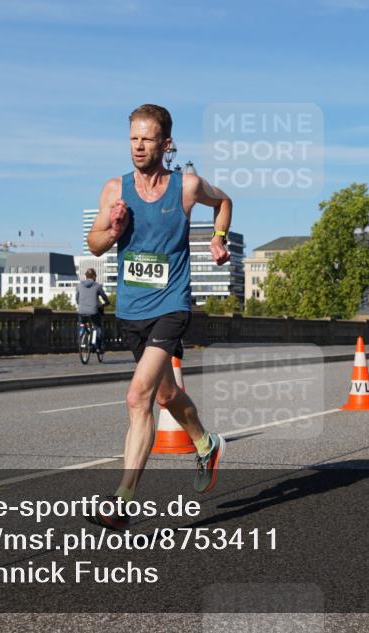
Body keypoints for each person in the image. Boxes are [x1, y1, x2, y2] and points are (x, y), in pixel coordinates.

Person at [85, 104, 232, 530]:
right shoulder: (115, 189)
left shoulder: (185, 186)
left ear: (166, 144)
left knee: (137, 398)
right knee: (166, 396)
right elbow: (94, 245)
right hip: (131, 310)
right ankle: (207, 443)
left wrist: (218, 239)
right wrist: (113, 230)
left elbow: (223, 202)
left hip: (172, 305)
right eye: (133, 138)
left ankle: (122, 500)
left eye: (147, 139)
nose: (138, 146)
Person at [75, 268, 109, 354]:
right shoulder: (97, 286)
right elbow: (104, 296)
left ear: (86, 276)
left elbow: (77, 298)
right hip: (93, 311)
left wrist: (80, 304)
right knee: (98, 326)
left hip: (82, 311)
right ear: (94, 276)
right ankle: (98, 347)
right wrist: (107, 302)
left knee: (81, 323)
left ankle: (81, 336)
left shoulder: (80, 285)